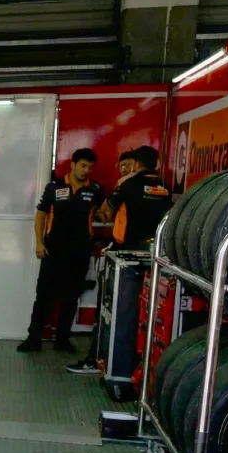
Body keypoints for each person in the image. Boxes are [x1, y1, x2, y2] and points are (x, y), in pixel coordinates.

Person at [66, 145, 171, 374]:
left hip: (124, 259)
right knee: (143, 314)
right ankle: (135, 366)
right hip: (154, 260)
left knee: (109, 312)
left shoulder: (128, 185)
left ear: (135, 164)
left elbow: (107, 211)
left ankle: (98, 360)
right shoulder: (164, 187)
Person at [17, 149, 103, 353]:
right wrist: (39, 243)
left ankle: (62, 340)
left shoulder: (96, 189)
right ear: (72, 165)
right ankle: (34, 339)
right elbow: (40, 215)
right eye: (83, 165)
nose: (86, 170)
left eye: (90, 167)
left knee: (70, 298)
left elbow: (104, 212)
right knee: (44, 297)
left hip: (80, 252)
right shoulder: (54, 187)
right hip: (53, 251)